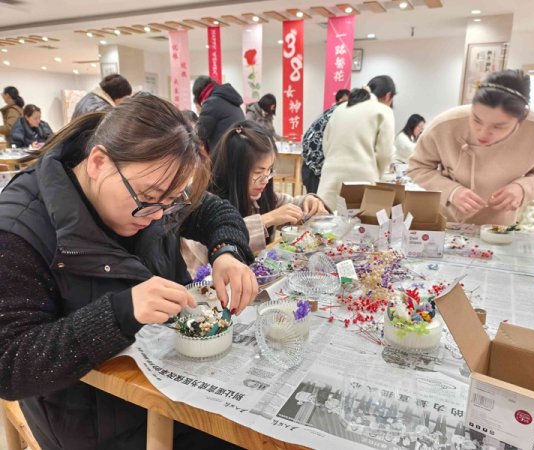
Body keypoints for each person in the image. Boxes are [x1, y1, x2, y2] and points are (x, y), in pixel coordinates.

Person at [0, 93, 258, 450]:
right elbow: (10, 366)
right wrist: (122, 312)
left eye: (172, 201)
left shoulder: (155, 187)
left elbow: (215, 211)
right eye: (148, 199)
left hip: (171, 381)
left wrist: (226, 252)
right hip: (88, 417)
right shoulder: (19, 231)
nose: (159, 215)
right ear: (98, 162)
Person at [408, 69, 534, 225]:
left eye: (499, 126)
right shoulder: (444, 126)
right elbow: (417, 167)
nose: (482, 133)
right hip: (446, 220)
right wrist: (451, 191)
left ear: (522, 118)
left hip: (498, 224)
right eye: (476, 120)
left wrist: (523, 188)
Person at [211, 120, 328, 252]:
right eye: (258, 172)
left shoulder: (262, 196)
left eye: (269, 170)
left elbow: (286, 203)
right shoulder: (211, 204)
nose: (266, 180)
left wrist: (307, 202)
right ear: (234, 170)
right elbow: (215, 240)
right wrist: (267, 219)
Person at [317, 77, 396, 209]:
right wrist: (377, 174)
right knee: (359, 222)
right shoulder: (384, 111)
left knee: (327, 219)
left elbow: (326, 145)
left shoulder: (340, 108)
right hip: (362, 180)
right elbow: (385, 154)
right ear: (388, 96)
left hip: (329, 179)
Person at [301, 89, 350, 194]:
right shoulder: (340, 113)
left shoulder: (335, 111)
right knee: (316, 202)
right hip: (314, 167)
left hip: (311, 164)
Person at [192, 75, 244, 154]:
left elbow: (200, 134)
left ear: (199, 93)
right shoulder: (228, 98)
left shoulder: (211, 102)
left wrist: (200, 112)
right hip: (239, 151)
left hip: (225, 155)